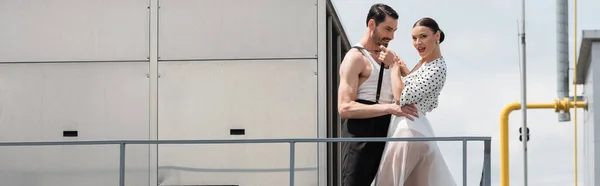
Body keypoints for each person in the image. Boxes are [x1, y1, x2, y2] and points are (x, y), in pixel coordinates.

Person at [337, 3, 419, 186]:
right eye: (388, 29)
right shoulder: (355, 57)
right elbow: (344, 108)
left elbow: (410, 88)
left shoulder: (388, 57)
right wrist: (390, 108)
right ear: (372, 24)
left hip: (388, 131)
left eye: (394, 31)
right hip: (361, 134)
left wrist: (398, 67)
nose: (391, 36)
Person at [370, 17, 456, 186]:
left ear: (437, 35)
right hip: (417, 131)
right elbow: (419, 93)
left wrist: (393, 66)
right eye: (414, 38)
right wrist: (404, 72)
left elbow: (401, 98)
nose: (418, 43)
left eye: (423, 36)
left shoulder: (437, 67)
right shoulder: (425, 63)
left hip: (408, 132)